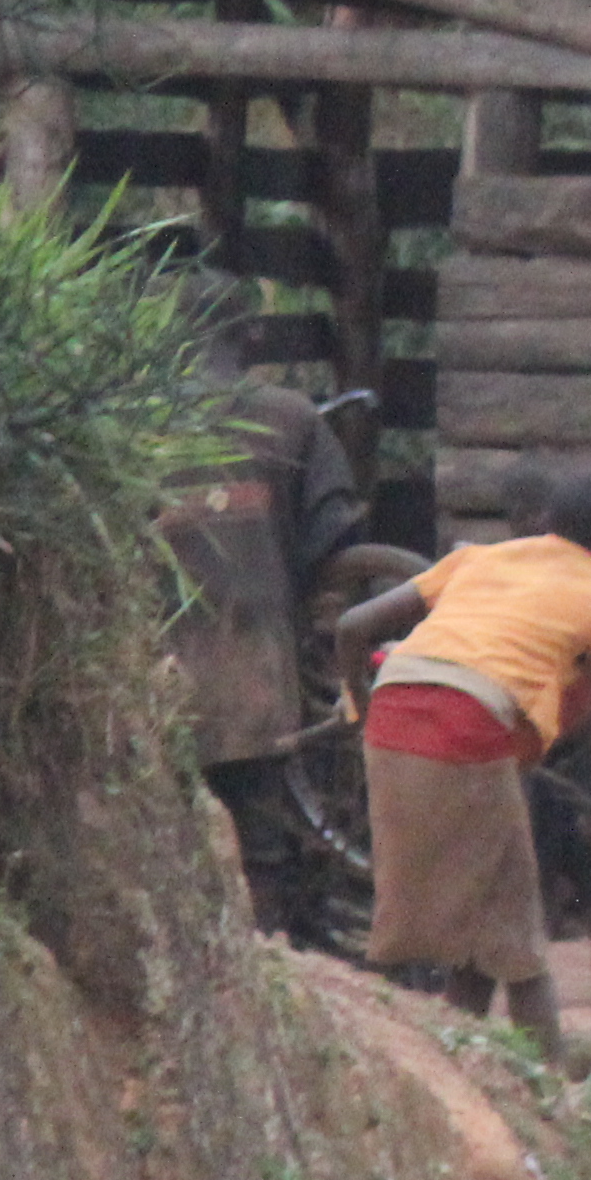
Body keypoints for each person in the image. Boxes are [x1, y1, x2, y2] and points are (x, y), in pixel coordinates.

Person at [332, 464, 591, 1064]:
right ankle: (554, 1106)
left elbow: (353, 627)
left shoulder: (479, 559)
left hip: (394, 708)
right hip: (471, 726)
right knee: (521, 946)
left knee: (480, 936)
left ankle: (450, 1071)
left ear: (549, 525)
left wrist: (358, 710)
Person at [158, 272, 371, 947]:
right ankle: (267, 944)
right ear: (251, 334)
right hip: (257, 653)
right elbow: (335, 529)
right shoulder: (290, 416)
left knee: (170, 811)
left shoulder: (138, 419)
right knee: (260, 824)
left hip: (158, 661)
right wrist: (319, 617)